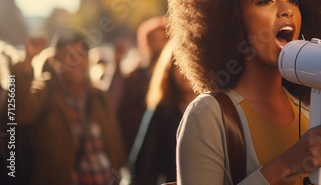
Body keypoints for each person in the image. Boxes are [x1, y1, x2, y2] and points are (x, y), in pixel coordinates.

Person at [168, 0, 321, 184]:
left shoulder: (311, 113)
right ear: (235, 25)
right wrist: (288, 164)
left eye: (293, 0)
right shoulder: (208, 115)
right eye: (265, 1)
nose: (286, 10)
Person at [12, 29, 126, 184]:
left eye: (81, 54)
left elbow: (114, 143)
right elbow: (17, 112)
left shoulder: (99, 95)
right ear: (54, 60)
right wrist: (28, 61)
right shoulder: (43, 92)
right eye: (68, 55)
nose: (76, 60)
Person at [128, 39, 197, 184]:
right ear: (168, 71)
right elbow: (140, 165)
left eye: (190, 63)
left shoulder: (216, 106)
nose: (184, 72)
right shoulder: (162, 111)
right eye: (177, 66)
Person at [118, 17, 168, 155]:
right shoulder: (136, 75)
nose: (158, 45)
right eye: (154, 39)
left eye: (162, 39)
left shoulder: (175, 74)